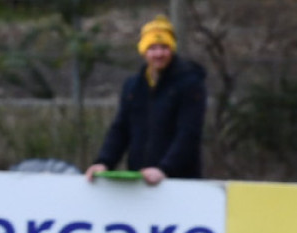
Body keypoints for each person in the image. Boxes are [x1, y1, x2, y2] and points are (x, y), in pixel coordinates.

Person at [86, 15, 207, 185]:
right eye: (152, 48)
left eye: (164, 47)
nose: (159, 54)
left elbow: (188, 133)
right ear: (143, 51)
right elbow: (121, 129)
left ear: (172, 49)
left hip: (180, 182)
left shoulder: (190, 84)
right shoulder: (133, 86)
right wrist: (104, 162)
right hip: (139, 181)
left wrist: (164, 169)